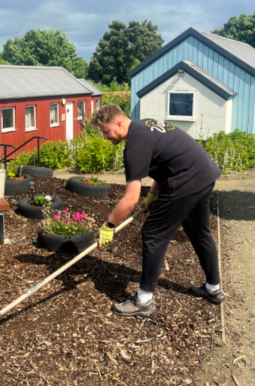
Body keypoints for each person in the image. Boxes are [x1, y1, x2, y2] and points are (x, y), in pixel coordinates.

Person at [91, 104, 224, 317]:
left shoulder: (134, 147)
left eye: (106, 131)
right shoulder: (146, 125)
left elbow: (131, 198)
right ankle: (213, 289)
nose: (105, 137)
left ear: (118, 123)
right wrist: (153, 194)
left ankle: (143, 300)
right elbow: (165, 163)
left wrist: (109, 225)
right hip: (204, 174)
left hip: (187, 180)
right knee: (200, 232)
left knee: (153, 233)